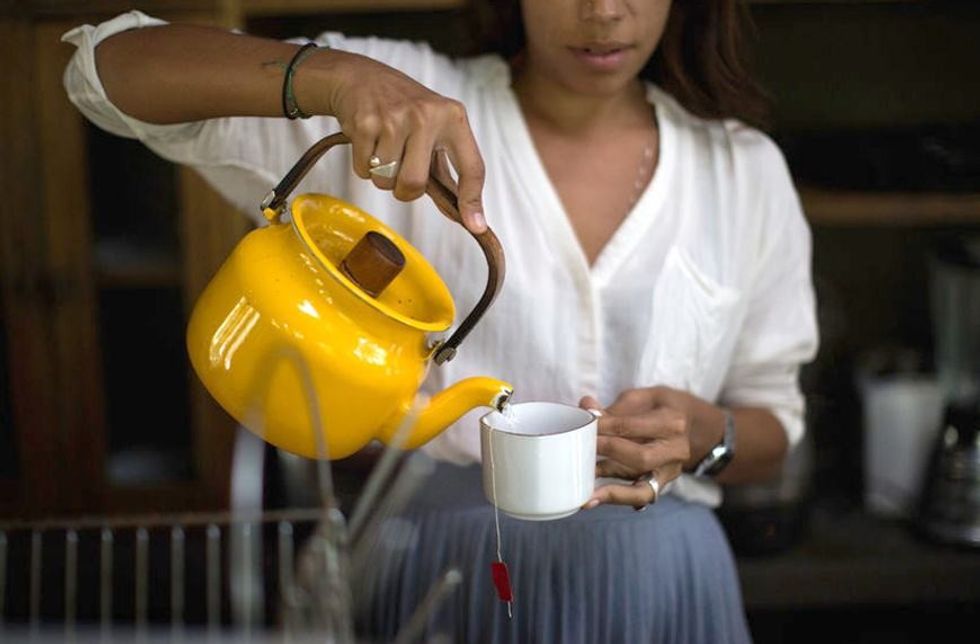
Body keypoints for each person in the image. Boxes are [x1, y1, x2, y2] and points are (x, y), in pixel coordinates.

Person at [62, 1, 818, 641]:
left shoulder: (742, 171)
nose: (604, 12)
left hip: (666, 593)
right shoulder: (396, 112)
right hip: (436, 577)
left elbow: (775, 427)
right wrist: (334, 80)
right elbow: (103, 72)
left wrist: (708, 434)